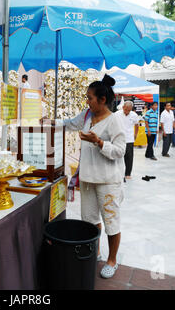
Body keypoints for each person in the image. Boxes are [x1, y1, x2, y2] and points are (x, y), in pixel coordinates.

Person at [50, 74, 125, 279]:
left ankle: (112, 260)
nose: (87, 101)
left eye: (90, 98)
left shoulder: (114, 121)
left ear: (102, 100)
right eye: (87, 97)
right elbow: (69, 124)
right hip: (87, 178)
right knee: (90, 220)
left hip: (108, 180)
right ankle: (97, 252)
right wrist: (50, 122)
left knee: (111, 221)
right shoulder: (86, 116)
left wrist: (99, 142)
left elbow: (120, 151)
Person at [115, 101, 139, 179]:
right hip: (118, 138)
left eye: (129, 110)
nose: (127, 112)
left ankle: (128, 173)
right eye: (125, 109)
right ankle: (116, 173)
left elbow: (136, 125)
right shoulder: (117, 114)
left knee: (129, 156)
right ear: (123, 107)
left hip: (129, 138)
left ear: (131, 109)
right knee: (117, 155)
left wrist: (135, 134)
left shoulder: (134, 115)